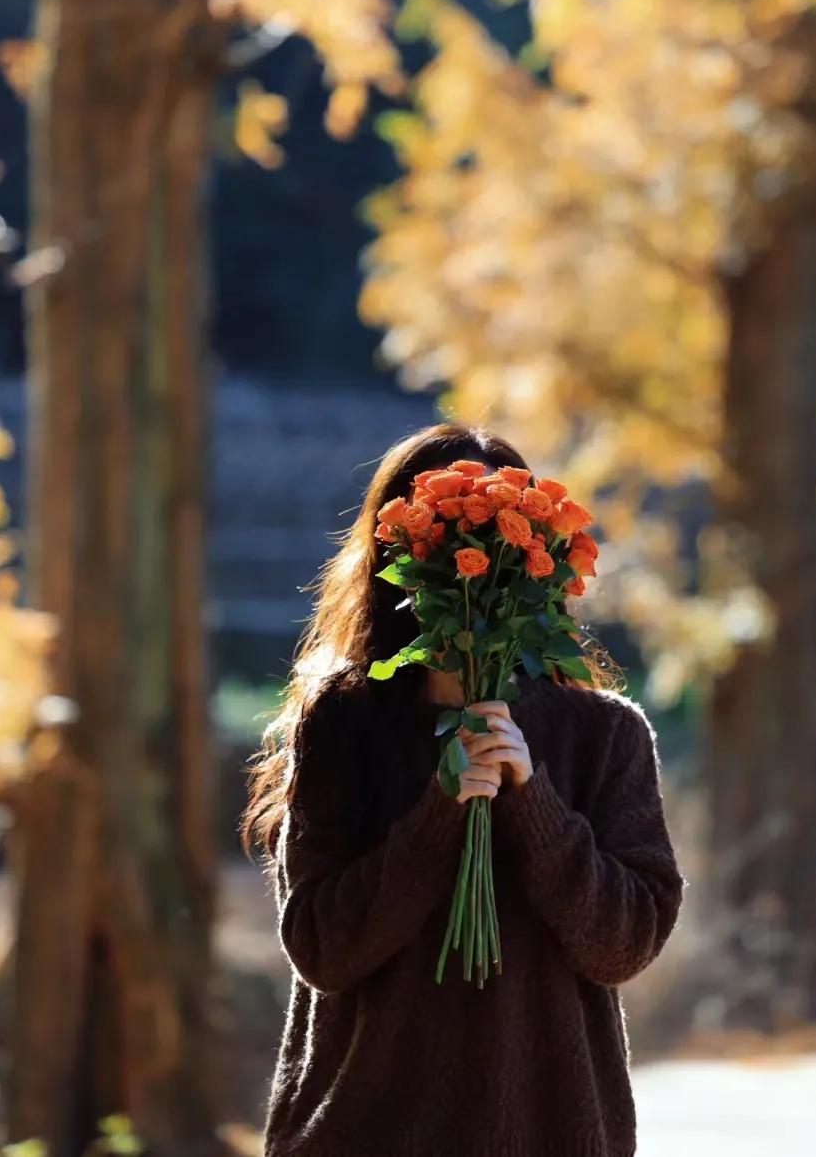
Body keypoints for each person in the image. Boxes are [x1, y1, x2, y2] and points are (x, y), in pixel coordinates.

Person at [242, 422, 686, 1157]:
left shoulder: (604, 736)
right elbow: (322, 949)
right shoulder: (345, 723)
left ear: (535, 566)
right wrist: (439, 813)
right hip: (361, 1134)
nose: (473, 572)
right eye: (443, 540)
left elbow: (625, 944)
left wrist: (532, 803)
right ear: (402, 565)